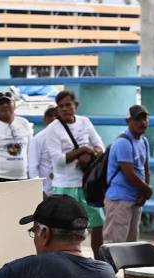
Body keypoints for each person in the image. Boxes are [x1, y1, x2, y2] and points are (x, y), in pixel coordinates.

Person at [43, 90, 105, 258]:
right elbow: (58, 160)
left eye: (68, 104)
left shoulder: (85, 122)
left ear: (75, 105)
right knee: (63, 231)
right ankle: (65, 263)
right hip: (64, 186)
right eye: (61, 106)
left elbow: (100, 146)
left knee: (98, 226)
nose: (64, 109)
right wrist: (82, 150)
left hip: (87, 185)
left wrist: (92, 153)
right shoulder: (52, 129)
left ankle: (99, 263)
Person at [103, 105, 152, 247]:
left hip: (135, 199)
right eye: (137, 119)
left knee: (131, 246)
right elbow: (129, 173)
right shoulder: (123, 142)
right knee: (114, 245)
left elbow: (145, 168)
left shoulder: (144, 141)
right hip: (119, 200)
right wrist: (147, 190)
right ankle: (109, 270)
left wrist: (144, 193)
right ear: (128, 121)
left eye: (144, 118)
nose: (142, 122)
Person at [0, 91, 32, 181]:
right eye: (1, 103)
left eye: (8, 102)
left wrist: (30, 175)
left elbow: (30, 151)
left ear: (14, 105)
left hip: (23, 178)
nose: (5, 105)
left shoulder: (24, 123)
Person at [27, 106, 58, 196]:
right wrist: (39, 190)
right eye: (50, 116)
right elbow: (33, 167)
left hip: (64, 188)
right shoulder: (38, 139)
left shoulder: (65, 137)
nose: (54, 118)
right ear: (45, 120)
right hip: (46, 190)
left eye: (56, 116)